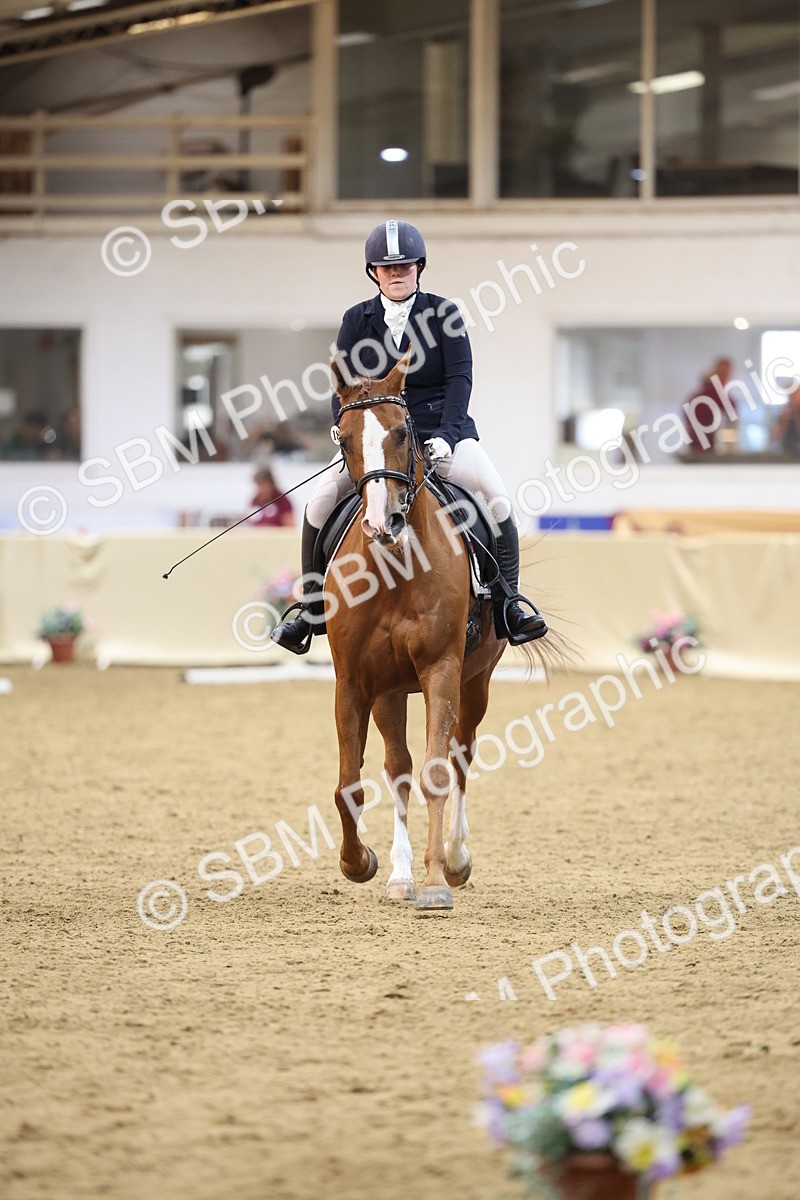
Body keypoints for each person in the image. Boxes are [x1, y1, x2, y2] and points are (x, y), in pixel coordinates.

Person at [272, 219, 547, 655]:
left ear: (419, 267)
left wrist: (448, 436)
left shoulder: (445, 314)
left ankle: (510, 603)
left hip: (440, 432)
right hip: (375, 441)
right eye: (386, 267)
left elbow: (460, 380)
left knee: (497, 500)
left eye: (405, 265)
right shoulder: (355, 319)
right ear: (373, 273)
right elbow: (342, 384)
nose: (397, 272)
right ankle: (310, 609)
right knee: (319, 502)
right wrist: (343, 427)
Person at [683, 357, 734, 454]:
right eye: (722, 373)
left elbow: (731, 427)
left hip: (720, 451)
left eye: (727, 373)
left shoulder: (727, 400)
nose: (725, 377)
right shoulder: (700, 398)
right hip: (701, 450)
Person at [773, 384, 800, 459]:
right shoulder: (784, 414)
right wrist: (783, 423)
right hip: (786, 455)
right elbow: (775, 439)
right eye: (793, 396)